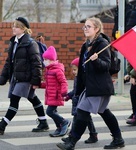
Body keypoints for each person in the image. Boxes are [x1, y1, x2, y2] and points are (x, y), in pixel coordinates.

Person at [56, 17, 125, 150]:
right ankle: (118, 139)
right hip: (91, 86)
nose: (85, 29)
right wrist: (79, 88)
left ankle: (72, 142)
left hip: (99, 86)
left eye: (88, 26)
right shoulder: (86, 45)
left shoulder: (102, 44)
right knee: (104, 112)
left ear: (97, 29)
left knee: (82, 111)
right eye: (84, 26)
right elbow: (82, 69)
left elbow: (106, 66)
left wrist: (96, 60)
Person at [0, 17, 49, 135]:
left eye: (16, 26)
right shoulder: (14, 42)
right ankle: (43, 122)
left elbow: (36, 63)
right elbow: (9, 62)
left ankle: (2, 125)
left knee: (14, 100)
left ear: (23, 29)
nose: (13, 28)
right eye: (13, 26)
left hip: (26, 78)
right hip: (16, 77)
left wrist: (36, 81)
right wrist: (3, 77)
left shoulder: (30, 43)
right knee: (32, 98)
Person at [62, 57, 98, 144]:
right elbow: (75, 90)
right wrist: (68, 96)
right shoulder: (77, 78)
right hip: (77, 101)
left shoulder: (82, 78)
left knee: (76, 120)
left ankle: (72, 136)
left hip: (81, 103)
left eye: (75, 69)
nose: (73, 72)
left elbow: (81, 91)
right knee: (88, 119)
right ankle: (93, 134)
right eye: (73, 70)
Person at [41, 46, 71, 137]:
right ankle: (59, 127)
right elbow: (49, 84)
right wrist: (39, 85)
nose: (44, 61)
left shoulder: (57, 70)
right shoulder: (49, 70)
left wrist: (64, 92)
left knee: (50, 112)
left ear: (51, 60)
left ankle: (64, 122)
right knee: (53, 112)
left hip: (56, 95)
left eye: (46, 59)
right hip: (51, 95)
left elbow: (63, 82)